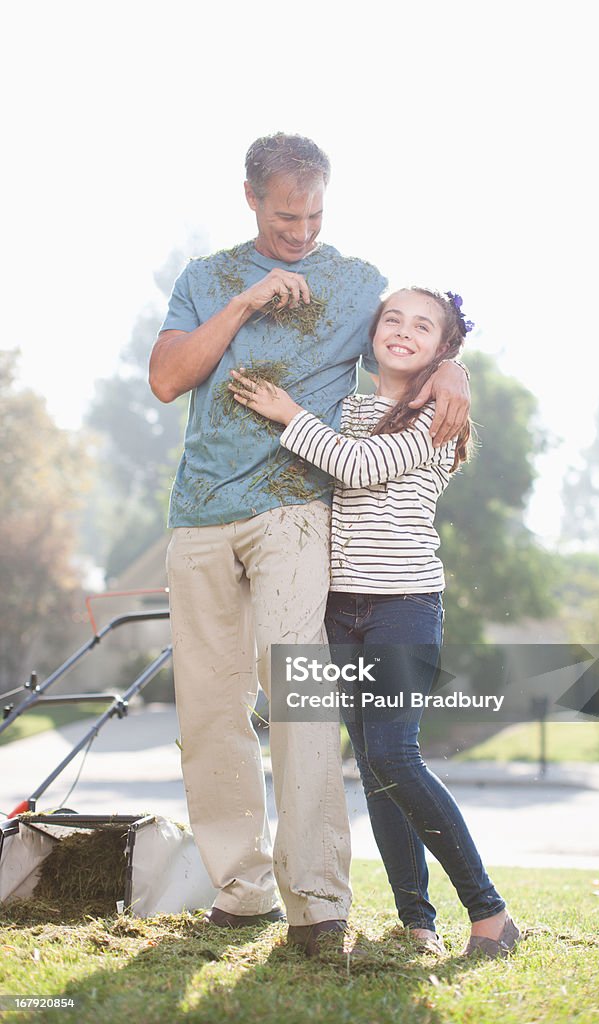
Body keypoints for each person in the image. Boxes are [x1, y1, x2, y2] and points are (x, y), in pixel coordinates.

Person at [148, 133, 470, 957]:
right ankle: (241, 889)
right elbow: (167, 377)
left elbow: (412, 342)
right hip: (200, 513)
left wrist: (456, 372)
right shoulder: (205, 278)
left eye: (315, 213)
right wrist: (246, 303)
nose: (300, 231)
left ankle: (319, 905)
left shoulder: (357, 282)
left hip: (296, 511)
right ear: (250, 198)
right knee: (213, 714)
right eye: (286, 215)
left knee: (299, 707)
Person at [229, 285, 520, 959]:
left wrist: (286, 412)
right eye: (392, 318)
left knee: (395, 754)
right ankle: (416, 921)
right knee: (374, 768)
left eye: (423, 326)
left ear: (442, 348)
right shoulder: (345, 405)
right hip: (339, 610)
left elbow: (357, 468)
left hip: (402, 607)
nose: (403, 331)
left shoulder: (437, 414)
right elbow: (330, 447)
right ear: (371, 333)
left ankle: (489, 912)